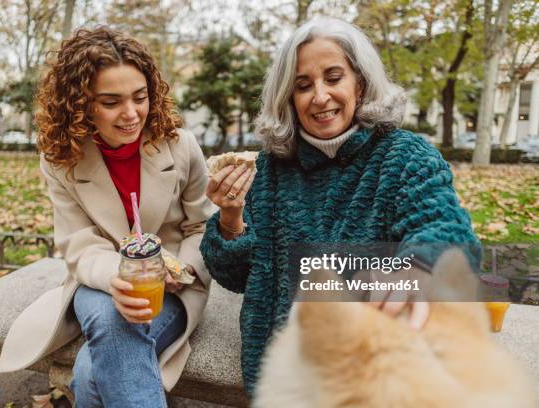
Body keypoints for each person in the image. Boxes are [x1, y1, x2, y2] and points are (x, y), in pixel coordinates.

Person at [200, 17, 480, 397]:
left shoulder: (404, 157)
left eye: (333, 78)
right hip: (280, 380)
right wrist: (231, 218)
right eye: (303, 85)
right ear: (288, 97)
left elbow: (448, 234)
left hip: (371, 379)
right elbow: (235, 277)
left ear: (360, 83)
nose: (319, 96)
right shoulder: (269, 168)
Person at [0, 28, 214, 407]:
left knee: (90, 372)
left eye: (140, 98)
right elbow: (78, 243)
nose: (131, 115)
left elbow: (202, 225)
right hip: (98, 282)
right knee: (112, 317)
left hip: (175, 288)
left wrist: (181, 270)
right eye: (111, 102)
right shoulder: (60, 158)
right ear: (80, 103)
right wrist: (122, 277)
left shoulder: (181, 146)